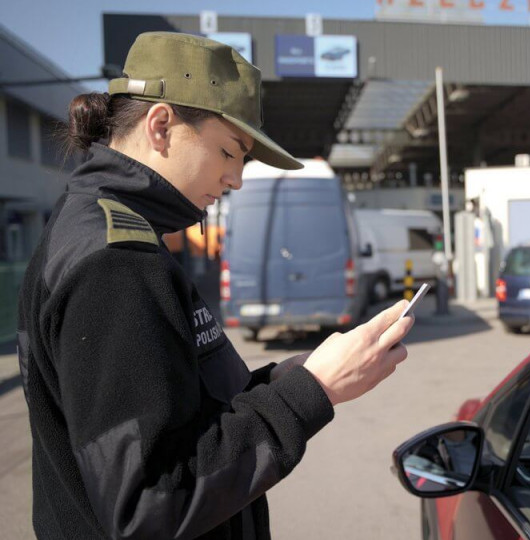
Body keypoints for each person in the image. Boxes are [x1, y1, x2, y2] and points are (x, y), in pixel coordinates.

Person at [16, 32, 413, 539]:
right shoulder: (116, 262)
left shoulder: (100, 227)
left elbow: (186, 409)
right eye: (230, 151)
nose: (237, 179)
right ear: (161, 126)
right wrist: (315, 392)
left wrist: (299, 374)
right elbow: (149, 504)